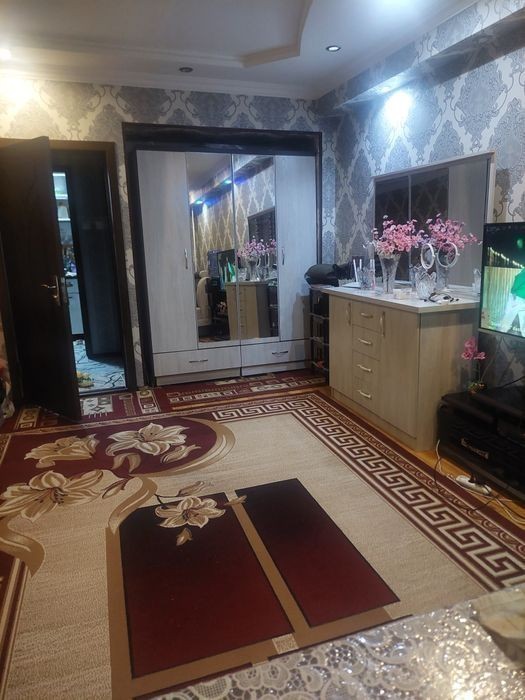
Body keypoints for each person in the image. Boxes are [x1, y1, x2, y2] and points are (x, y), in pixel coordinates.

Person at [500, 267, 525, 337]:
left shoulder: (523, 273)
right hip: (520, 297)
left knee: (508, 316)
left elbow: (518, 280)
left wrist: (513, 291)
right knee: (523, 319)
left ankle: (500, 333)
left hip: (518, 297)